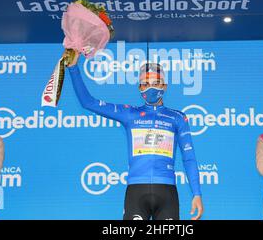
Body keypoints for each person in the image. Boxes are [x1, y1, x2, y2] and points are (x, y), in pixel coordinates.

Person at [65, 49, 203, 220]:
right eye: (145, 84)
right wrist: (73, 67)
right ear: (139, 88)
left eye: (156, 82)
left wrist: (197, 193)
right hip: (136, 191)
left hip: (167, 192)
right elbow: (88, 102)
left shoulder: (178, 117)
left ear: (165, 86)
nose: (151, 87)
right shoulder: (130, 113)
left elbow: (189, 158)